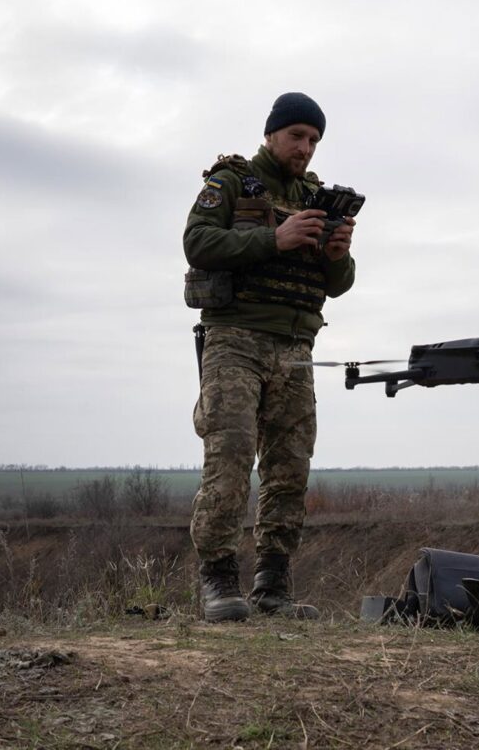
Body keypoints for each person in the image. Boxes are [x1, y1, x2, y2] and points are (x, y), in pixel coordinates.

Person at [182, 92, 357, 622]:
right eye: (296, 136)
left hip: (297, 348)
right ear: (271, 134)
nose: (305, 148)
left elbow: (340, 285)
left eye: (313, 140)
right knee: (231, 458)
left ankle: (272, 586)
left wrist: (337, 256)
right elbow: (198, 242)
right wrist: (273, 239)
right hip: (236, 338)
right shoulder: (231, 183)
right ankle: (218, 579)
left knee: (289, 469)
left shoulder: (317, 197)